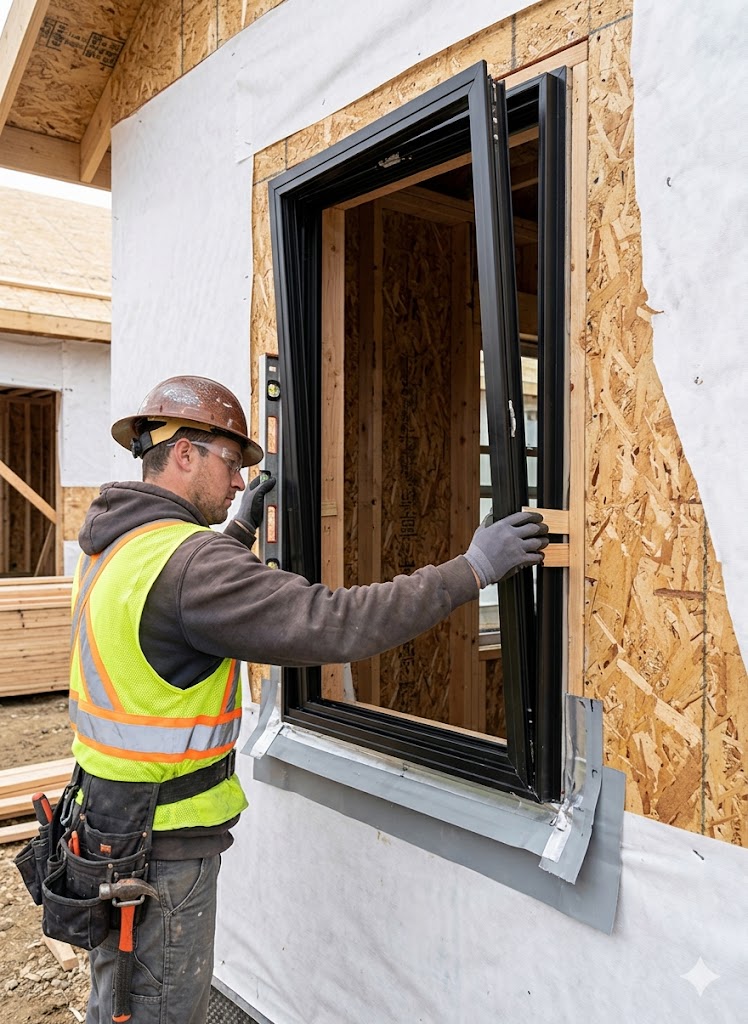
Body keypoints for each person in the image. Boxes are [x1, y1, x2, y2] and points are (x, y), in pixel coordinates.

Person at [69, 375, 548, 1024]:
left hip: (107, 828)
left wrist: (237, 531)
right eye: (231, 462)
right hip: (162, 849)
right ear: (183, 453)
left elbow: (174, 607)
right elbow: (334, 623)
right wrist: (473, 570)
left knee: (118, 1002)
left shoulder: (116, 545)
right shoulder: (190, 566)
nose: (240, 480)